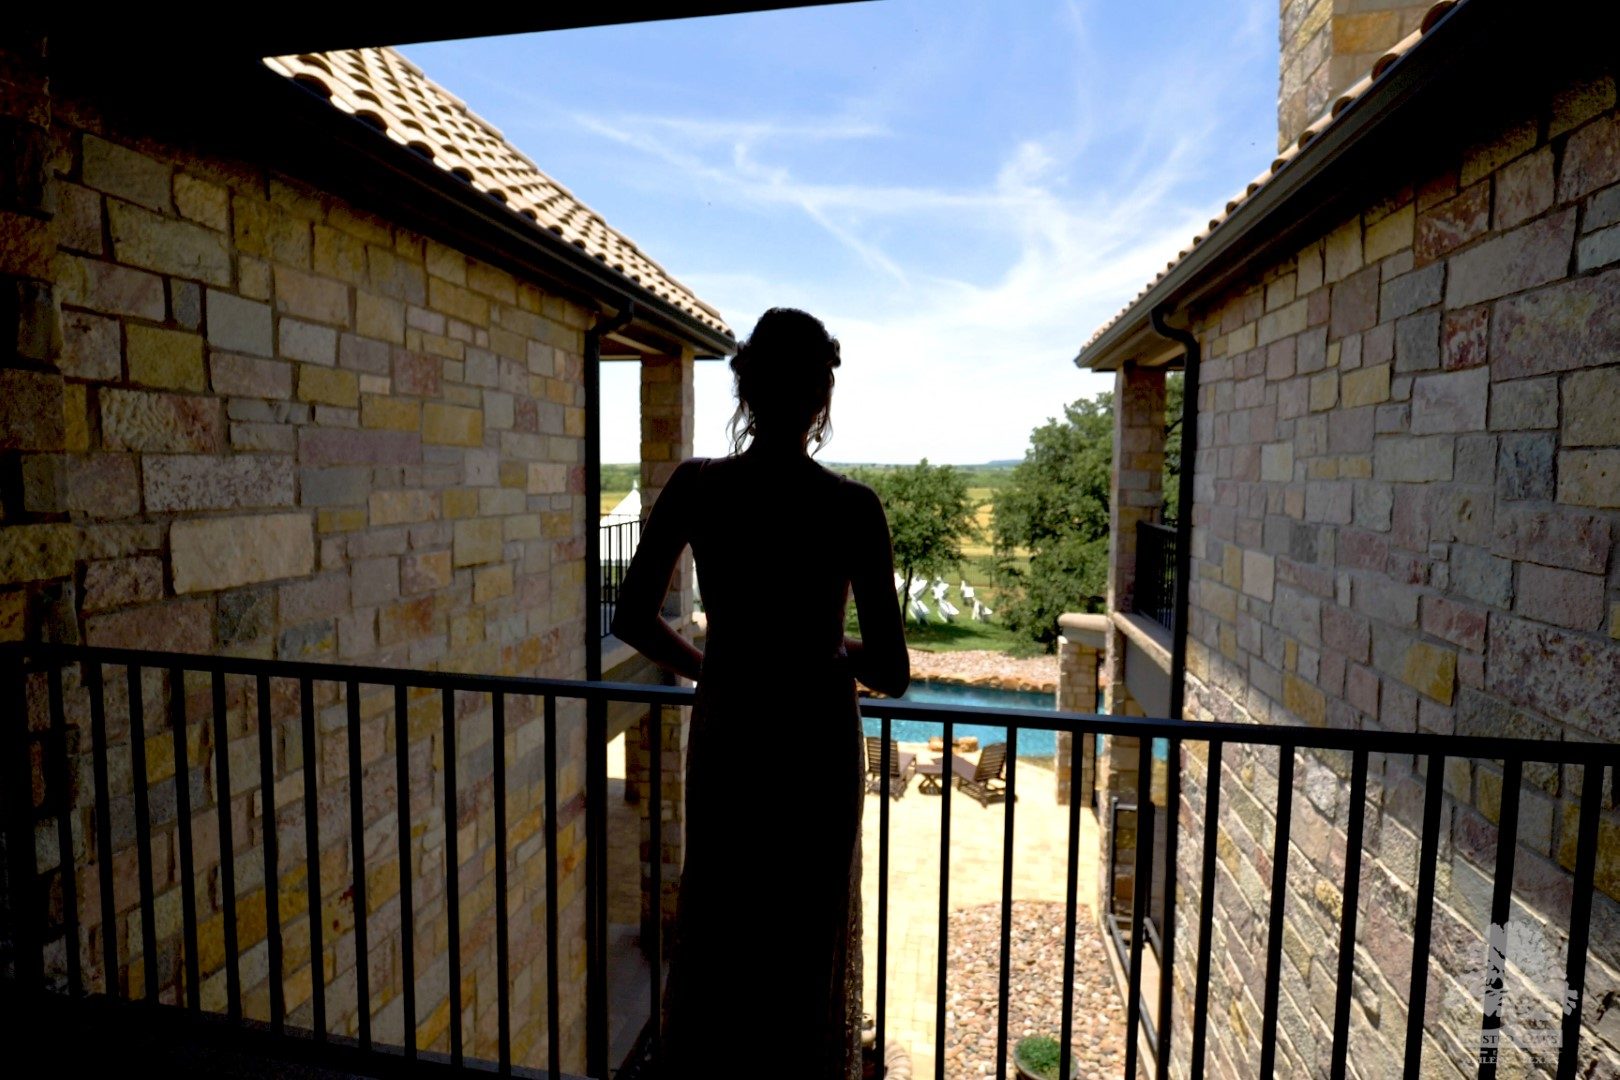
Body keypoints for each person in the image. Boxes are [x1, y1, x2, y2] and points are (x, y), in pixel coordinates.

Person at [610, 307, 910, 1079]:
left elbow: (634, 614)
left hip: (731, 729)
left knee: (723, 921)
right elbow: (890, 670)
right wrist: (819, 643)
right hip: (813, 742)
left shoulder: (698, 486)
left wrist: (715, 664)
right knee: (802, 942)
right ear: (822, 398)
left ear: (744, 388)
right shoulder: (852, 507)